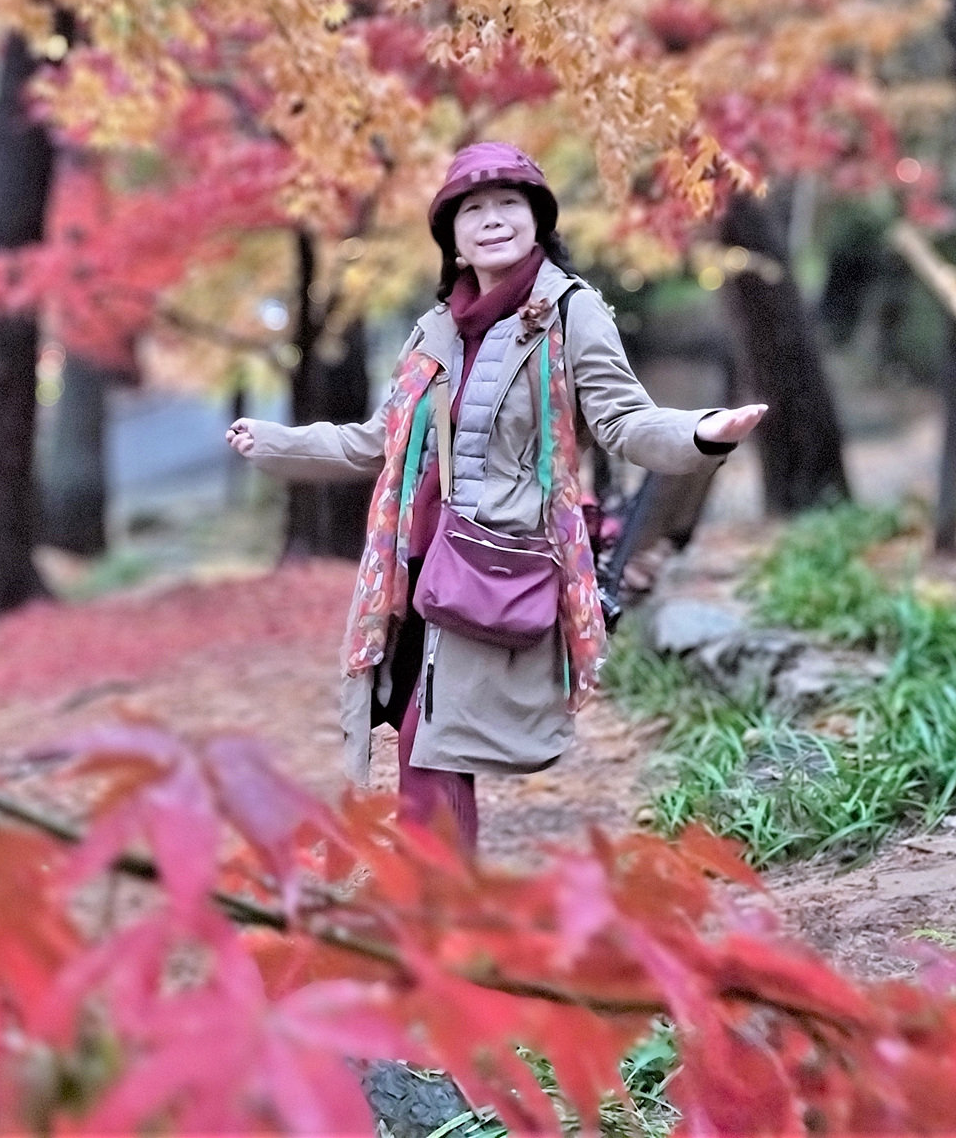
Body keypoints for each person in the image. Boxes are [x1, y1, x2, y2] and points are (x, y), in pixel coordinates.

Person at [226, 143, 765, 856]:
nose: (492, 219)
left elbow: (623, 421)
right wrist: (274, 442)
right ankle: (442, 901)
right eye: (473, 209)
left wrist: (700, 433)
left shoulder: (571, 313)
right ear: (451, 235)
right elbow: (378, 440)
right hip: (415, 563)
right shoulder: (435, 329)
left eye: (509, 203)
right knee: (425, 740)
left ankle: (436, 903)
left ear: (538, 219)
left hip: (497, 564)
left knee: (430, 743)